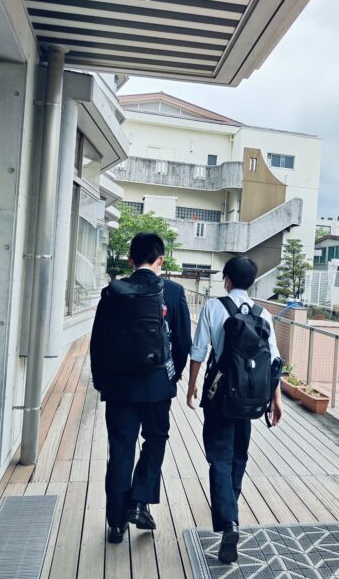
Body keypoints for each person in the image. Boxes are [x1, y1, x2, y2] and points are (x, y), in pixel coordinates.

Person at [90, 232, 191, 544]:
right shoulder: (173, 292)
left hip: (119, 387)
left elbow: (98, 342)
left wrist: (101, 380)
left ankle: (116, 523)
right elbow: (184, 341)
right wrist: (173, 376)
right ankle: (140, 499)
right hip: (157, 386)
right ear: (160, 259)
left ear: (130, 260)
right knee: (156, 439)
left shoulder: (112, 292)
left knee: (120, 449)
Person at [187, 256, 283, 564]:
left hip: (219, 394)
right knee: (239, 454)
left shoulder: (215, 308)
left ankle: (228, 521)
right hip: (251, 396)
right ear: (251, 282)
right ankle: (232, 506)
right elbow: (273, 361)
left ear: (226, 278)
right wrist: (275, 398)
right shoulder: (263, 313)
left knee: (219, 455)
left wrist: (192, 386)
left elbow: (199, 350)